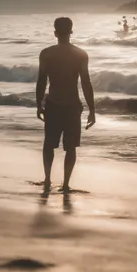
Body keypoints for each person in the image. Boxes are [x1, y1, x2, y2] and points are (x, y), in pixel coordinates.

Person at [36, 17, 96, 194]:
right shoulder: (80, 54)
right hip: (72, 106)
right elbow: (86, 82)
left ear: (55, 33)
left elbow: (41, 81)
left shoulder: (46, 53)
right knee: (71, 147)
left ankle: (47, 180)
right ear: (71, 32)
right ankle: (66, 184)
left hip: (53, 104)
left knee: (49, 145)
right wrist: (92, 109)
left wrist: (39, 104)